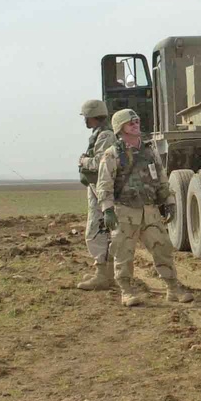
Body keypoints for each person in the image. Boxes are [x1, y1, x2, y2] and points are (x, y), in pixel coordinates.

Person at [96, 109, 194, 307]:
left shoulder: (149, 151)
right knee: (123, 254)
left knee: (163, 248)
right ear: (119, 128)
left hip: (149, 211)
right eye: (130, 122)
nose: (135, 124)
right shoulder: (112, 154)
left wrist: (169, 201)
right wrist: (107, 210)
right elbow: (104, 185)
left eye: (137, 120)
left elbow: (161, 177)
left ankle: (173, 288)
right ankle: (127, 291)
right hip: (124, 212)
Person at [76, 99, 116, 291]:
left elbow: (102, 162)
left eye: (86, 117)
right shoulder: (100, 134)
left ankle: (102, 275)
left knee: (96, 230)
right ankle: (105, 273)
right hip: (97, 187)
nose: (84, 120)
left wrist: (84, 161)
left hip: (101, 188)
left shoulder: (106, 135)